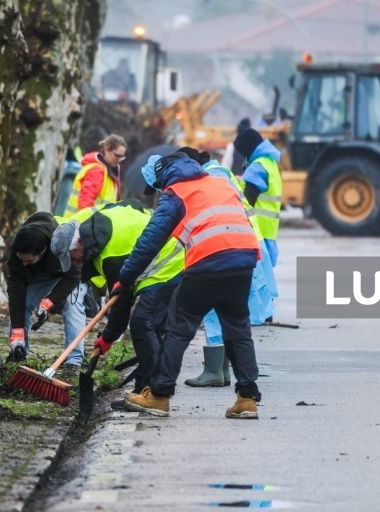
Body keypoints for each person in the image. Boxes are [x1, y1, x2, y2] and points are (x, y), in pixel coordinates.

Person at [119, 151, 263, 420]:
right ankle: (247, 398)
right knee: (237, 327)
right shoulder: (219, 183)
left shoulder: (176, 192)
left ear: (163, 175)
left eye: (158, 185)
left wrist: (125, 278)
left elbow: (150, 240)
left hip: (208, 260)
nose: (160, 190)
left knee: (178, 328)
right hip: (243, 256)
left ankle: (159, 396)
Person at [174, 149, 277, 388]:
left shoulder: (213, 177)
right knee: (228, 312)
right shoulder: (220, 172)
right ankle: (222, 370)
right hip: (242, 243)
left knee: (216, 310)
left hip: (228, 246)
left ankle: (216, 371)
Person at [72, 200, 183, 410]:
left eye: (71, 256)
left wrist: (107, 338)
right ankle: (143, 390)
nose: (73, 262)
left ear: (79, 245)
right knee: (150, 328)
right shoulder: (99, 232)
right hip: (166, 261)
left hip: (167, 264)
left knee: (142, 323)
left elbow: (122, 305)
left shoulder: (110, 255)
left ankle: (156, 394)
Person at [6, 213, 87, 368]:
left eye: (29, 260)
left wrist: (49, 301)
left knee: (72, 305)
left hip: (72, 273)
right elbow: (16, 291)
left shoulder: (61, 243)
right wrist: (17, 331)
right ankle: (19, 352)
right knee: (24, 302)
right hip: (44, 273)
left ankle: (74, 360)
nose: (24, 264)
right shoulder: (20, 245)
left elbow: (73, 277)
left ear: (43, 250)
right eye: (21, 259)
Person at [234, 128, 283, 270]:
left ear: (248, 148)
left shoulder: (257, 167)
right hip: (268, 231)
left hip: (256, 233)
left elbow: (247, 201)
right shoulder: (269, 163)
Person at [64, 134, 128, 218]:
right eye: (117, 156)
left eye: (122, 157)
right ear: (106, 149)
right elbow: (85, 203)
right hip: (82, 222)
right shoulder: (97, 171)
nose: (119, 160)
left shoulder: (108, 172)